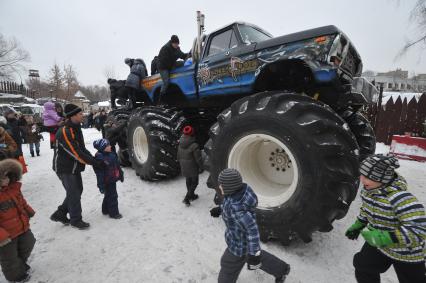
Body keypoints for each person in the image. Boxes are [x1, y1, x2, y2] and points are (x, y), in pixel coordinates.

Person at [346, 154, 426, 283]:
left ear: (382, 179)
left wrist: (385, 238)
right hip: (379, 245)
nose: (362, 180)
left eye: (367, 177)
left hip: (406, 252)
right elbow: (367, 209)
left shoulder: (400, 198)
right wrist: (359, 224)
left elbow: (419, 230)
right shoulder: (369, 191)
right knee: (363, 267)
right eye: (361, 174)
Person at [212, 168, 290, 283]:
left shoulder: (238, 210)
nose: (220, 187)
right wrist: (221, 209)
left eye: (222, 185)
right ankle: (281, 269)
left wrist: (254, 256)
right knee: (255, 255)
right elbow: (230, 202)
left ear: (230, 186)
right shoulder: (239, 192)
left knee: (228, 264)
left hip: (238, 244)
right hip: (241, 239)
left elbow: (252, 231)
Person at [50, 104, 104, 230]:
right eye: (80, 114)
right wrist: (94, 162)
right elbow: (75, 152)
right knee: (74, 193)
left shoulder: (75, 128)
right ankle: (75, 220)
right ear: (73, 116)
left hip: (73, 166)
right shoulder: (65, 131)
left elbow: (82, 148)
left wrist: (94, 159)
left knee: (77, 190)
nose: (83, 115)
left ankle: (61, 213)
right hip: (64, 168)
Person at [0, 159, 36, 282]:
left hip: (21, 226)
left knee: (29, 242)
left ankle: (19, 265)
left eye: (8, 176)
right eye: (4, 177)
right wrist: (2, 236)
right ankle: (15, 276)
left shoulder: (14, 188)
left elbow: (22, 202)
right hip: (5, 235)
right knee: (9, 257)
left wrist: (28, 210)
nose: (7, 180)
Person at [93, 138, 124, 219]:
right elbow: (99, 174)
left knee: (108, 195)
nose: (110, 146)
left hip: (112, 179)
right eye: (108, 145)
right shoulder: (100, 159)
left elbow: (117, 166)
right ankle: (114, 213)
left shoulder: (111, 154)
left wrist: (121, 174)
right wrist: (101, 185)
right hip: (107, 181)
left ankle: (105, 209)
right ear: (103, 148)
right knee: (113, 196)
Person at [177, 125, 203, 206]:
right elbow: (198, 159)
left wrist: (181, 163)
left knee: (188, 180)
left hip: (183, 165)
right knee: (195, 182)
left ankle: (192, 195)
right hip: (192, 167)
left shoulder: (180, 143)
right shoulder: (194, 145)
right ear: (192, 133)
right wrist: (201, 166)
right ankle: (187, 198)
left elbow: (178, 156)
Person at [157, 35, 188, 104]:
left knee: (183, 63)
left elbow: (182, 55)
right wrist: (173, 67)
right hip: (163, 67)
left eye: (177, 44)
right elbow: (164, 61)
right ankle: (161, 98)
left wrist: (188, 55)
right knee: (166, 81)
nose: (177, 45)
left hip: (171, 63)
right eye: (175, 44)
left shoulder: (177, 48)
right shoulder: (165, 48)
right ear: (172, 43)